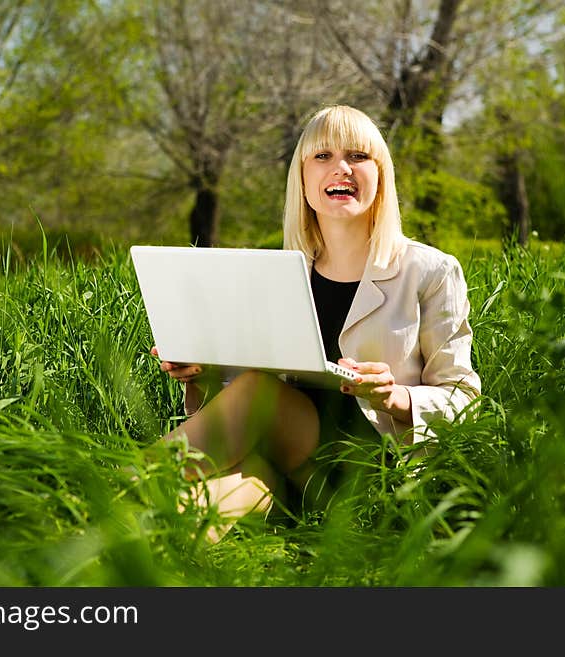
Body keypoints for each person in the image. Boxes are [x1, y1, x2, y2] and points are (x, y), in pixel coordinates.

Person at [150, 105, 481, 535]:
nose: (340, 168)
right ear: (302, 178)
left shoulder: (430, 271)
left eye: (358, 156)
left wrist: (395, 396)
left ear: (381, 174)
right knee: (197, 507)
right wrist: (200, 371)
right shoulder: (275, 271)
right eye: (322, 156)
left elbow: (465, 400)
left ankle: (104, 486)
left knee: (256, 393)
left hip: (370, 463)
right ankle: (89, 540)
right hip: (291, 464)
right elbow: (230, 389)